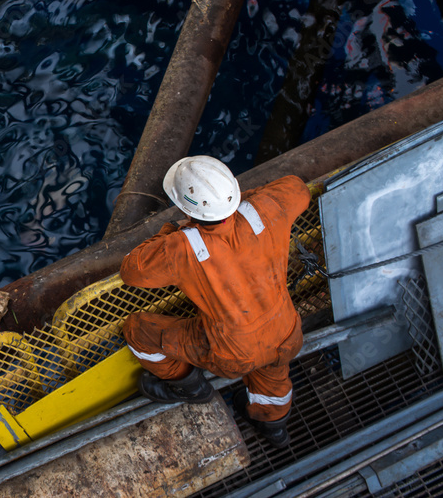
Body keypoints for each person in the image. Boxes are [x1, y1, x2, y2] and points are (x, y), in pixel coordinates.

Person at [119, 155, 310, 448]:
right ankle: (275, 428)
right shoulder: (267, 209)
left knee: (137, 331)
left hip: (233, 353)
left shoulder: (182, 247)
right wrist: (243, 202)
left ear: (185, 207)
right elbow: (298, 187)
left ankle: (189, 386)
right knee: (273, 378)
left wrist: (172, 230)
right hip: (286, 332)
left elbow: (131, 271)